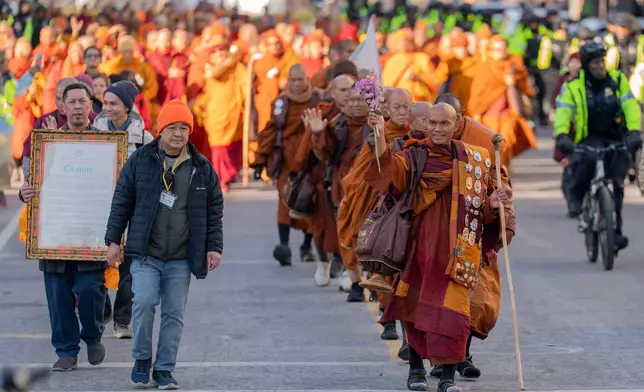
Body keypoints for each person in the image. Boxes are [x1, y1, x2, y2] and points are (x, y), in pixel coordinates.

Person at [365, 103, 509, 392]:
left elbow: (485, 206)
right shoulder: (414, 156)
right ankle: (416, 371)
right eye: (433, 123)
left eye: (445, 124)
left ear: (456, 126)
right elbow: (391, 175)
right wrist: (380, 135)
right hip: (419, 247)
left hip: (458, 251)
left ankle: (447, 378)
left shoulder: (475, 160)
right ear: (425, 125)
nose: (439, 129)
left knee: (456, 315)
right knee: (414, 310)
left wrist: (494, 205)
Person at [105, 99, 224, 389]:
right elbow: (122, 201)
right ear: (161, 130)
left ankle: (164, 369)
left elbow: (214, 209)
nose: (179, 134)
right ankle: (143, 358)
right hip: (146, 253)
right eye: (173, 127)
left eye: (184, 128)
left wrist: (214, 246)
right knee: (143, 303)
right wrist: (112, 240)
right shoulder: (140, 161)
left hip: (182, 257)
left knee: (174, 314)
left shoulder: (201, 167)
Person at [19, 83, 106, 372]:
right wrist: (25, 192)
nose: (78, 106)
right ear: (63, 107)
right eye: (73, 102)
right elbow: (33, 181)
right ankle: (66, 350)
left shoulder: (108, 146)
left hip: (90, 234)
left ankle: (92, 336)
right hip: (54, 232)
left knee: (91, 289)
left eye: (84, 101)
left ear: (91, 107)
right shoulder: (48, 144)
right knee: (58, 297)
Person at [554, 41, 642, 250]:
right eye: (595, 63)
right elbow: (564, 112)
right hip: (589, 137)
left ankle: (616, 231)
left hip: (614, 137)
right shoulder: (573, 86)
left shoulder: (618, 80)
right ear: (586, 65)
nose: (600, 66)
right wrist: (562, 135)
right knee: (586, 163)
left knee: (617, 183)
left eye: (602, 62)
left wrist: (634, 132)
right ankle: (576, 197)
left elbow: (630, 106)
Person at [335, 88, 412, 302]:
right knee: (360, 233)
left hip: (402, 197)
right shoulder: (377, 133)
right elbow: (360, 171)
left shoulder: (416, 132)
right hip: (374, 195)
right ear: (386, 109)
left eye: (407, 106)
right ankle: (358, 282)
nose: (403, 111)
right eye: (398, 107)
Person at [253, 64, 318, 266]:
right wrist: (259, 162)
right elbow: (270, 132)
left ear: (307, 79)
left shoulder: (318, 101)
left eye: (300, 79)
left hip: (311, 161)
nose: (296, 84)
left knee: (310, 202)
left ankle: (306, 246)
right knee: (284, 202)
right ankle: (284, 246)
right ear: (287, 81)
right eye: (293, 79)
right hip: (286, 162)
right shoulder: (281, 103)